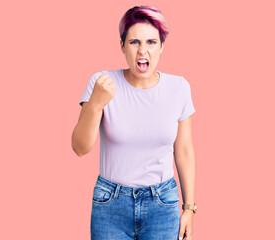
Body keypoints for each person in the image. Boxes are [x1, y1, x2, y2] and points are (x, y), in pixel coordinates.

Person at [72, 5, 197, 240]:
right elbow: (79, 148)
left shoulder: (179, 88)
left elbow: (184, 151)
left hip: (162, 203)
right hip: (110, 203)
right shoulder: (102, 82)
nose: (143, 51)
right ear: (121, 45)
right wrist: (96, 103)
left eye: (151, 42)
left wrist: (189, 208)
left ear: (161, 46)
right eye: (134, 42)